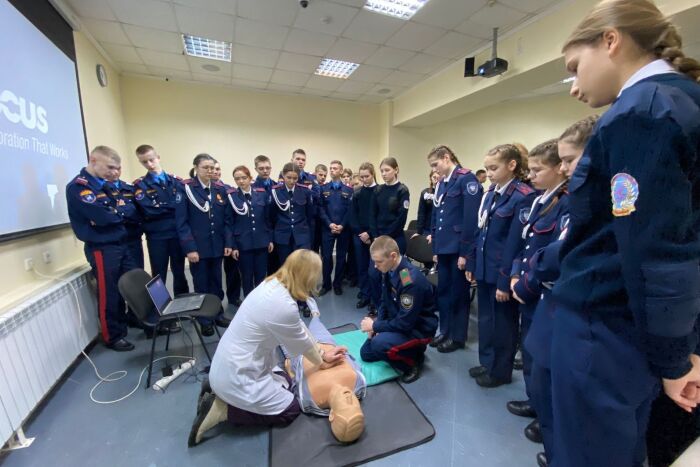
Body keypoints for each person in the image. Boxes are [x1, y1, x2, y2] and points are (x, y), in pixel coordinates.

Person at [550, 2, 700, 465]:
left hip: (608, 327)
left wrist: (673, 358)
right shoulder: (680, 98)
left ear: (610, 41)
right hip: (636, 325)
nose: (574, 85)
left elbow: (655, 251)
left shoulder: (642, 111)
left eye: (576, 66)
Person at [188, 250, 348, 446]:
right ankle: (222, 409)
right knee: (291, 409)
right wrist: (322, 360)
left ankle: (215, 388)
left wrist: (321, 353)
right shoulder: (283, 306)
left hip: (231, 362)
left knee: (288, 383)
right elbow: (301, 340)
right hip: (237, 373)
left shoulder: (272, 284)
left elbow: (298, 327)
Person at [522, 115, 597, 467]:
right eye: (563, 161)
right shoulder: (571, 197)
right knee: (540, 370)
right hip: (552, 296)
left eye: (569, 161)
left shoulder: (588, 201)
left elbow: (560, 251)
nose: (566, 170)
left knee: (564, 394)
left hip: (571, 301)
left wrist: (531, 272)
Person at [506, 139, 569, 448]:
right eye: (529, 169)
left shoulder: (567, 201)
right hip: (526, 286)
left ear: (560, 168)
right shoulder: (540, 200)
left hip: (543, 291)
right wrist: (516, 274)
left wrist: (525, 284)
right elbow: (525, 240)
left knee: (546, 361)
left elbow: (557, 254)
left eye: (537, 169)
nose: (530, 176)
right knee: (530, 351)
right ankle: (536, 402)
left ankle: (550, 421)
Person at [470, 144, 536, 388]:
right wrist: (475, 264)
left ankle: (500, 371)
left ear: (511, 165)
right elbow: (482, 233)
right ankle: (487, 362)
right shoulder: (491, 193)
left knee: (503, 326)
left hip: (501, 272)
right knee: (487, 321)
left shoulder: (522, 195)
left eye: (494, 168)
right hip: (485, 269)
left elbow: (514, 244)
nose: (489, 173)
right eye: (487, 168)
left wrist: (504, 280)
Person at [66, 146, 137, 351]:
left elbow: (122, 211)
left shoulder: (104, 186)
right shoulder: (79, 187)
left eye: (117, 168)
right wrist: (115, 213)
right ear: (93, 160)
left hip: (120, 243)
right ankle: (112, 336)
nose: (113, 172)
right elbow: (103, 217)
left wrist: (113, 213)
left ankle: (134, 321)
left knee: (132, 283)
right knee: (110, 292)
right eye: (109, 167)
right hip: (102, 247)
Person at [426, 146, 482, 353]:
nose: (434, 169)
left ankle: (458, 337)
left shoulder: (466, 179)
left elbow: (470, 221)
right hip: (444, 248)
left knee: (458, 294)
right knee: (444, 292)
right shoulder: (443, 183)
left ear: (446, 158)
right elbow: (437, 216)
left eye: (435, 164)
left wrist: (466, 253)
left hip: (458, 248)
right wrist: (436, 248)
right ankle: (445, 331)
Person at [359, 236, 437, 383]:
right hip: (399, 320)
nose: (375, 266)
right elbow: (384, 301)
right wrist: (375, 329)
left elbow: (405, 323)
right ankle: (411, 350)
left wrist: (375, 325)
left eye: (379, 261)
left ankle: (413, 363)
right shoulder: (390, 269)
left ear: (393, 256)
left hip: (417, 329)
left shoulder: (409, 280)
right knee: (366, 353)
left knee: (378, 344)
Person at [175, 153, 233, 337]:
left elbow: (227, 220)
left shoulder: (219, 189)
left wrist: (228, 243)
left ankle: (217, 314)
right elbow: (181, 222)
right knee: (201, 284)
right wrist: (190, 248)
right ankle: (204, 320)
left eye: (212, 167)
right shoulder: (186, 189)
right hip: (198, 248)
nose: (209, 171)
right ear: (196, 168)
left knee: (217, 283)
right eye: (205, 167)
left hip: (216, 246)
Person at [287, 316, 366, 442]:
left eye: (346, 408)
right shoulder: (358, 383)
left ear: (332, 415)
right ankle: (313, 313)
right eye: (356, 407)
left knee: (283, 322)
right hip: (325, 341)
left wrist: (290, 366)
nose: (349, 399)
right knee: (315, 319)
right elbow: (352, 361)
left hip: (297, 350)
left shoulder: (310, 400)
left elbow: (293, 380)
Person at [133, 145, 189, 297]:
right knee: (158, 275)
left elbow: (183, 207)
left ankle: (183, 304)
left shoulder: (176, 181)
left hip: (177, 235)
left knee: (180, 272)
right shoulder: (140, 185)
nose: (149, 164)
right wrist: (172, 206)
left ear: (158, 157)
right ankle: (159, 312)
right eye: (144, 162)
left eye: (151, 160)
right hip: (157, 237)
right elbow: (149, 210)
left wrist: (163, 207)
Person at [368, 157, 410, 314]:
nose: (384, 174)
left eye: (387, 170)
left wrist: (386, 238)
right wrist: (376, 236)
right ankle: (380, 307)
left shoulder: (402, 190)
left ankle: (405, 306)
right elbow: (372, 215)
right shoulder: (378, 190)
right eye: (382, 171)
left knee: (403, 275)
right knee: (374, 274)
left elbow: (401, 218)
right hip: (378, 239)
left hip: (395, 238)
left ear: (396, 170)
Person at [228, 165, 273, 297]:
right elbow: (230, 223)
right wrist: (234, 246)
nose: (241, 181)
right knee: (246, 277)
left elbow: (267, 219)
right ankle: (249, 302)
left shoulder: (261, 193)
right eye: (237, 179)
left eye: (243, 178)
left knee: (261, 276)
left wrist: (269, 239)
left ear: (250, 178)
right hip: (243, 244)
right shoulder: (232, 196)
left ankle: (260, 301)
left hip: (261, 242)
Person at [319, 160, 353, 296]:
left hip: (343, 229)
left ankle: (337, 284)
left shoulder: (348, 190)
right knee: (326, 257)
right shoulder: (324, 188)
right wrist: (329, 224)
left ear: (341, 171)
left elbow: (350, 211)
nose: (332, 170)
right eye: (331, 168)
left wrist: (342, 225)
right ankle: (326, 284)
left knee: (340, 257)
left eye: (335, 168)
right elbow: (320, 209)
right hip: (328, 228)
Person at [271, 163, 315, 265]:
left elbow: (309, 214)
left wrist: (308, 234)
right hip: (283, 236)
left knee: (302, 267)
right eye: (289, 177)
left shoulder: (305, 191)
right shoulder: (275, 192)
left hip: (301, 235)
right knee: (285, 266)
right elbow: (272, 215)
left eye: (295, 178)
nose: (292, 181)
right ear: (283, 175)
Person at [212, 161, 242, 308]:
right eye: (213, 169)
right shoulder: (199, 190)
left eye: (218, 169)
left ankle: (234, 297)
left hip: (229, 237)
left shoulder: (229, 190)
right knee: (214, 274)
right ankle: (214, 304)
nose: (216, 172)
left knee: (232, 270)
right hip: (214, 239)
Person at [351, 163, 377, 312]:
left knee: (373, 269)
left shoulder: (379, 191)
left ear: (373, 174)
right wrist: (361, 233)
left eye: (366, 176)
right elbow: (352, 215)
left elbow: (380, 217)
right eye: (362, 177)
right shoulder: (357, 192)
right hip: (359, 236)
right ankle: (365, 295)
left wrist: (370, 234)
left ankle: (374, 298)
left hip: (374, 236)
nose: (364, 179)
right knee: (361, 267)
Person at [253, 154, 279, 274]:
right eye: (261, 168)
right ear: (256, 169)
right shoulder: (252, 188)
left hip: (277, 230)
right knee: (261, 268)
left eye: (267, 168)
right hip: (261, 232)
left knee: (276, 264)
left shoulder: (277, 186)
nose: (265, 171)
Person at [413, 171, 440, 238]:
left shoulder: (445, 192)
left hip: (439, 229)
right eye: (434, 177)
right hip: (427, 229)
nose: (436, 179)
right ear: (431, 178)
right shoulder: (425, 193)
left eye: (438, 177)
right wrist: (419, 231)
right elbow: (421, 213)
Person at [311, 164, 328, 254]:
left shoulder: (326, 188)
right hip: (313, 221)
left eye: (325, 175)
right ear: (315, 174)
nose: (323, 177)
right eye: (320, 175)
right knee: (313, 247)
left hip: (323, 222)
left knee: (324, 249)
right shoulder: (311, 186)